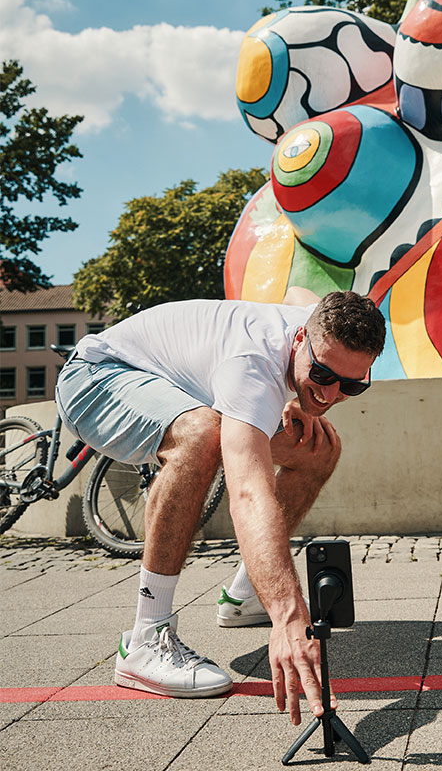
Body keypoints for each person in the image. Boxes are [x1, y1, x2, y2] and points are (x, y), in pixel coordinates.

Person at [55, 289, 385, 724]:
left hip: (177, 383)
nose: (331, 393)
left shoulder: (320, 318)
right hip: (97, 377)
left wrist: (303, 393)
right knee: (201, 435)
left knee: (318, 447)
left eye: (352, 385)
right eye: (322, 374)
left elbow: (298, 292)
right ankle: (145, 639)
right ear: (301, 337)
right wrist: (289, 616)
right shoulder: (251, 366)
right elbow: (249, 494)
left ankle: (246, 597)